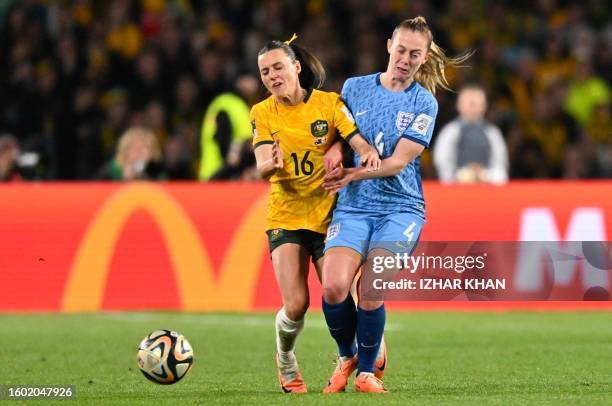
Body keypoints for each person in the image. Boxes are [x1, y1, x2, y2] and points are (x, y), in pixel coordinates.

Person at [321, 16, 470, 393]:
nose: (405, 58)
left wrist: (352, 175)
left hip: (401, 208)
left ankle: (367, 373)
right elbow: (340, 134)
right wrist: (337, 154)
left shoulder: (424, 102)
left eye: (414, 54)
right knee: (334, 287)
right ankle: (346, 355)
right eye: (401, 50)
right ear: (389, 45)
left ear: (423, 59)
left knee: (371, 287)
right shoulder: (354, 88)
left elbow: (398, 163)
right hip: (354, 207)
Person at [251, 35, 380, 393]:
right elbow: (262, 163)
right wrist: (271, 166)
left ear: (295, 67)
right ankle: (286, 357)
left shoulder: (328, 103)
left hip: (329, 216)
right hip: (286, 216)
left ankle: (363, 353)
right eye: (265, 72)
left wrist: (364, 150)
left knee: (337, 291)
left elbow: (353, 135)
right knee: (296, 305)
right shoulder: (262, 113)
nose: (273, 76)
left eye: (278, 67)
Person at [433, 83, 509, 184]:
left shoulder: (492, 133)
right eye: (469, 103)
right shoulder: (450, 131)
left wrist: (486, 175)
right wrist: (459, 176)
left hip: (488, 188)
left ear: (484, 106)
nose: (472, 106)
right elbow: (443, 162)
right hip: (456, 189)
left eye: (476, 103)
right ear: (459, 105)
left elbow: (500, 164)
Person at [97, 126, 166, 180]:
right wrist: (126, 178)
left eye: (144, 147)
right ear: (124, 151)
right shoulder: (110, 170)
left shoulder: (158, 173)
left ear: (153, 153)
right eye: (134, 147)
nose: (139, 152)